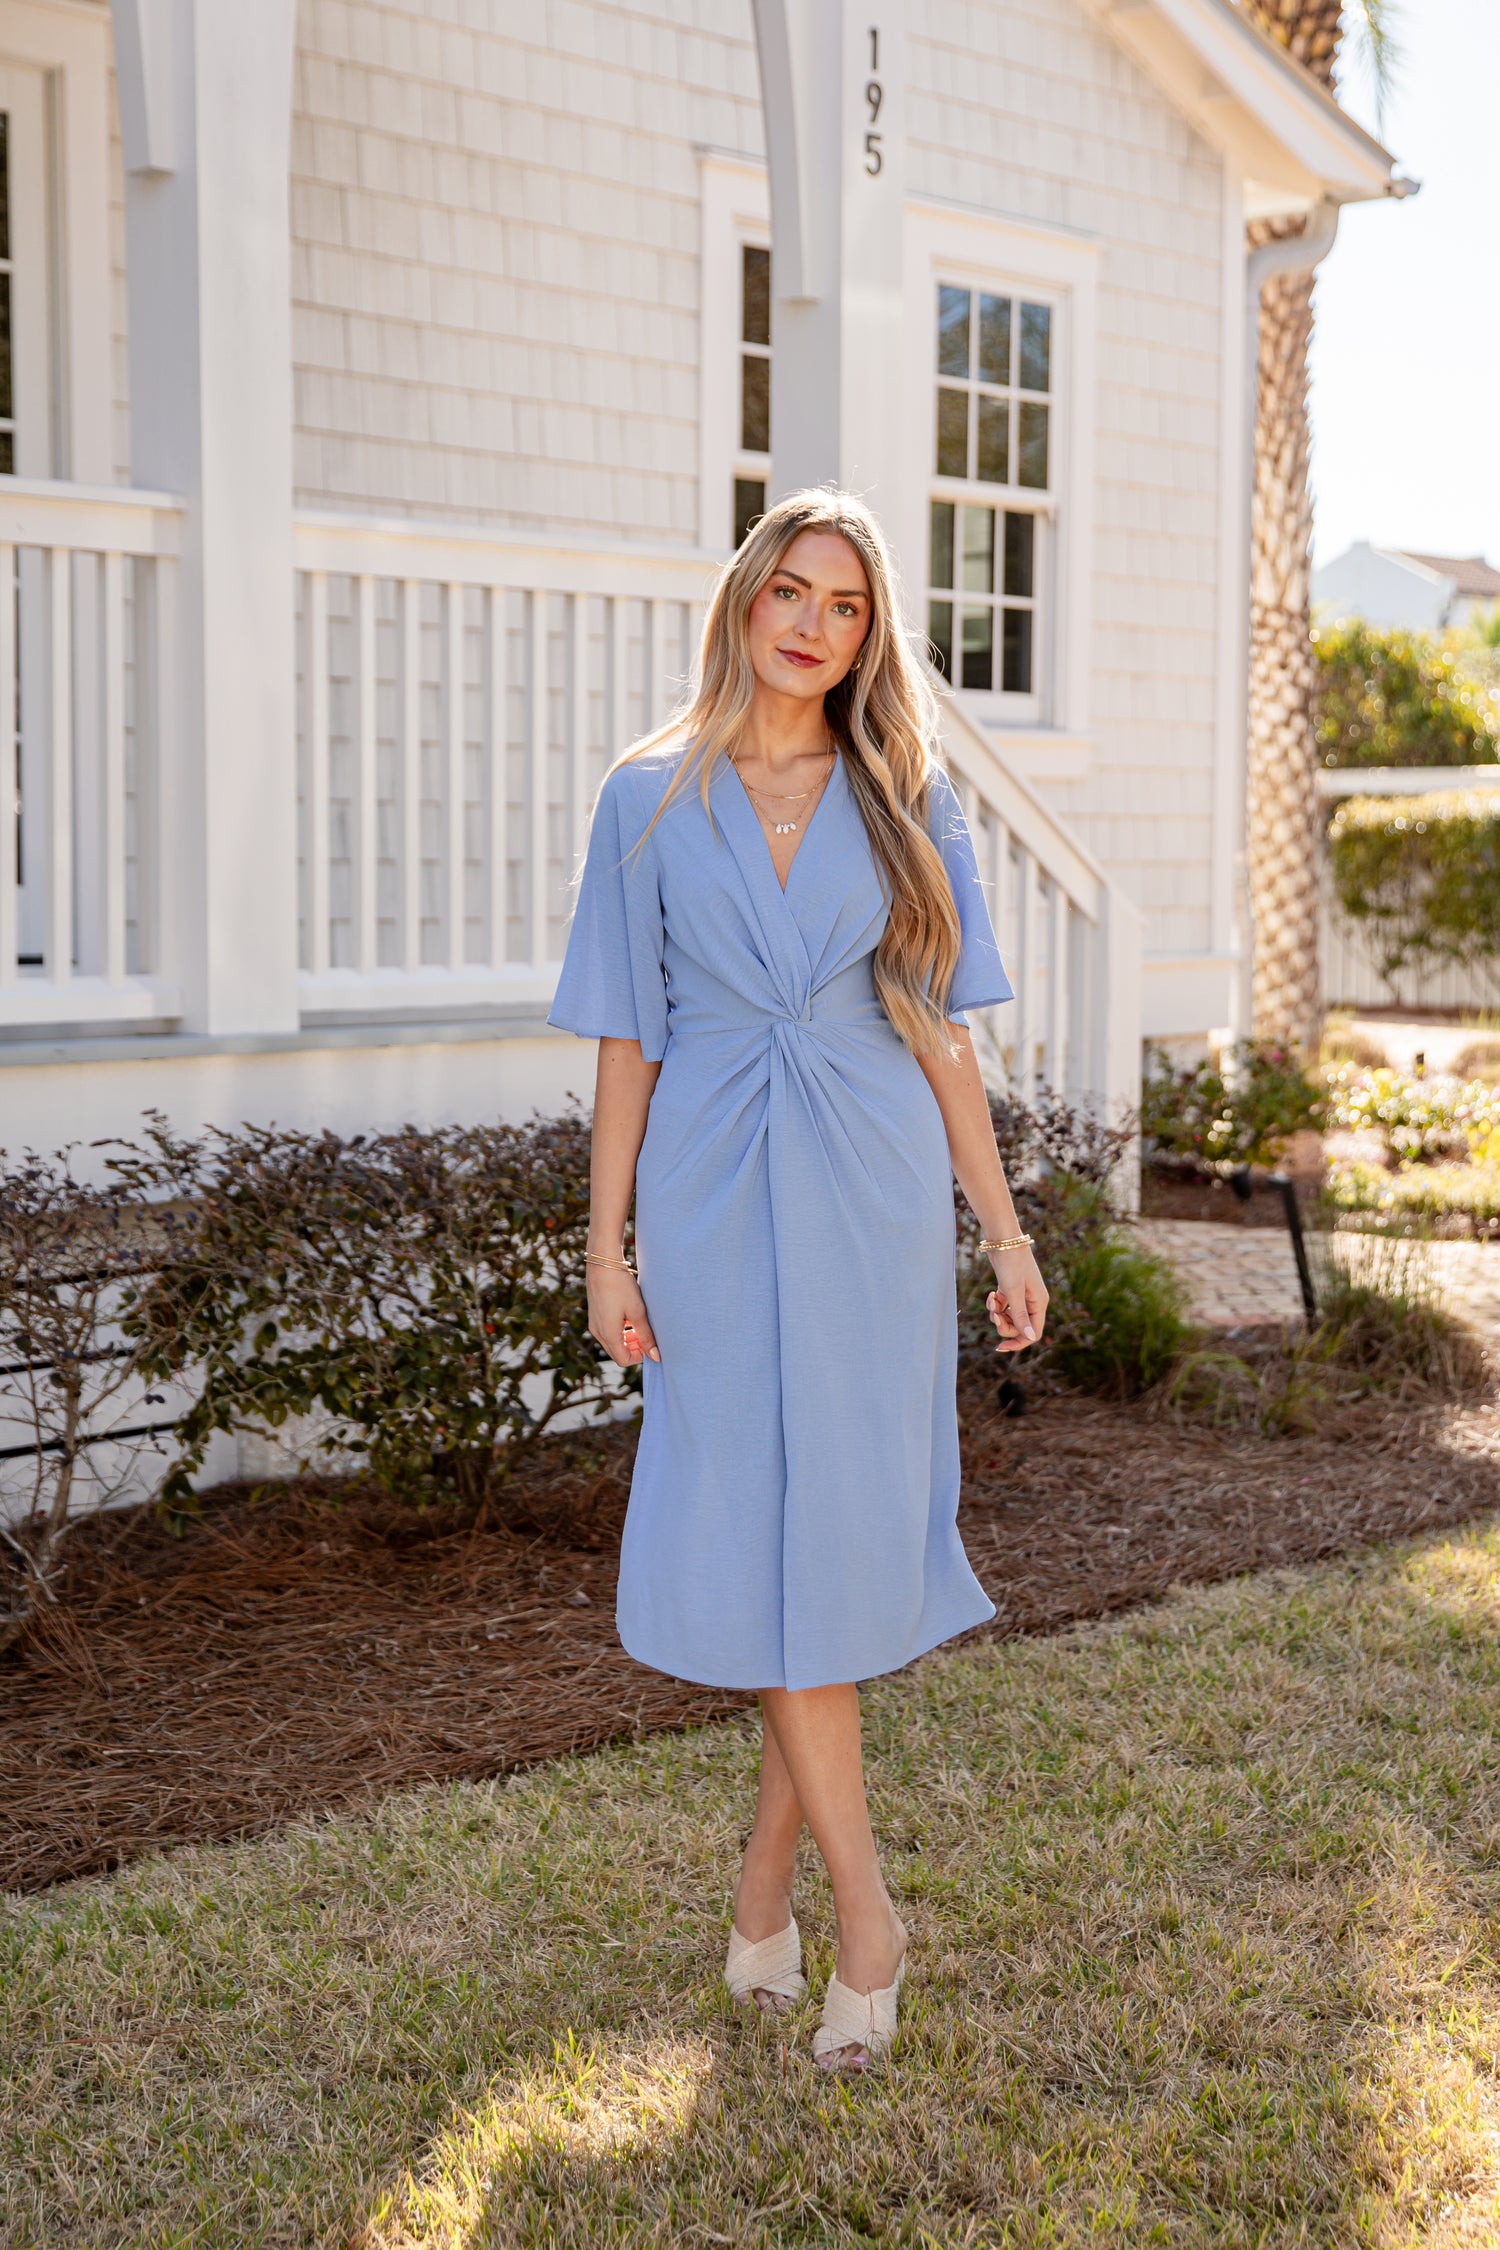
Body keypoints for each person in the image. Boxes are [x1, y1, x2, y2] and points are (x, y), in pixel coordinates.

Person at [548, 488, 1048, 2072]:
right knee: (742, 1517)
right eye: (792, 588)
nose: (813, 622)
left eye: (846, 604)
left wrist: (1007, 1226)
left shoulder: (905, 787)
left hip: (870, 1187)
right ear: (745, 598)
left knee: (822, 1534)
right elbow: (630, 1035)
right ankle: (856, 1901)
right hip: (704, 1185)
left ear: (866, 634)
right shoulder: (644, 797)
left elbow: (943, 1030)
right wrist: (603, 1245)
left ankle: (773, 1888)